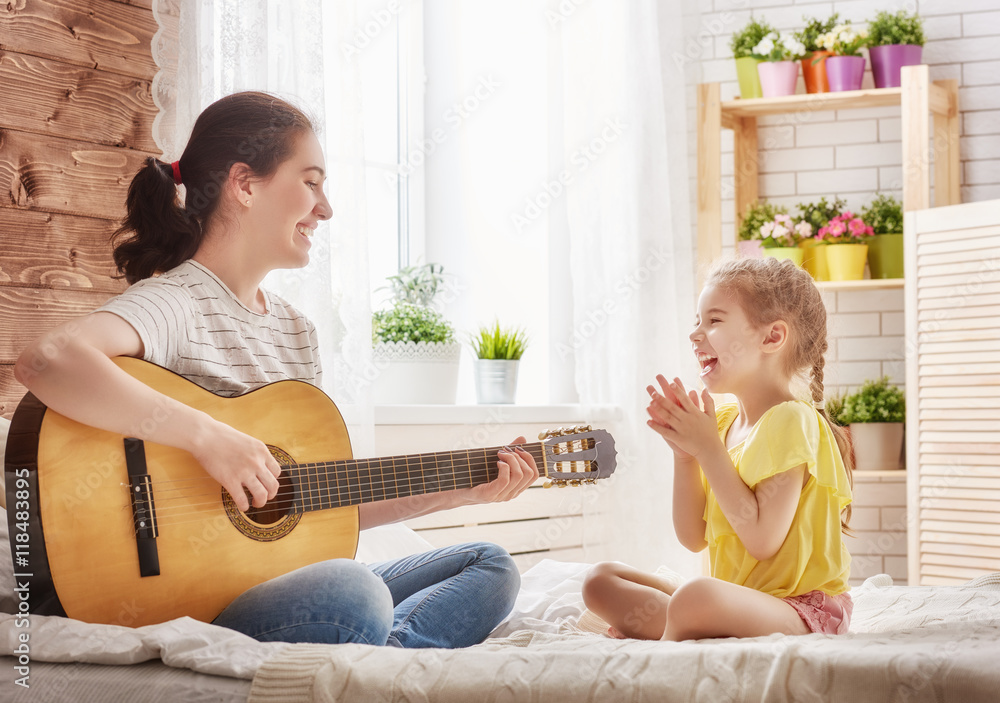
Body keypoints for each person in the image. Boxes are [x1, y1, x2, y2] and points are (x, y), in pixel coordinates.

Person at [14, 91, 537, 648]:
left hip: (276, 588)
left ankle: (377, 658)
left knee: (490, 566)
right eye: (311, 182)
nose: (326, 207)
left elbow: (315, 507)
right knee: (354, 593)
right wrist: (206, 436)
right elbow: (47, 360)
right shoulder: (178, 300)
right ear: (244, 184)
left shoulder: (296, 331)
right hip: (186, 600)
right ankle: (371, 657)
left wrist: (462, 490)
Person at [582, 257, 853, 641]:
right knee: (599, 581)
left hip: (797, 608)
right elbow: (692, 536)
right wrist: (686, 456)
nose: (695, 334)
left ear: (772, 337)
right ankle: (688, 624)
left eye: (714, 320)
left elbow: (762, 542)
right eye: (697, 320)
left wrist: (709, 449)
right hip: (739, 601)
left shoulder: (791, 420)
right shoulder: (723, 420)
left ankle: (675, 635)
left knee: (697, 595)